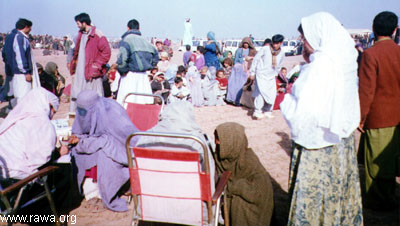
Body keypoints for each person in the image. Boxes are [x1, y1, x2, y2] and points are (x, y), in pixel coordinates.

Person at [280, 12, 363, 225]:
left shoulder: (322, 65)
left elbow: (303, 114)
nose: (302, 43)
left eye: (304, 38)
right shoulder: (344, 58)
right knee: (336, 194)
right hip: (341, 142)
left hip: (317, 147)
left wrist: (286, 102)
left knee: (314, 200)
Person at [69, 90, 139, 212]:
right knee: (76, 152)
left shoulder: (112, 112)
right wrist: (78, 138)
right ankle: (89, 192)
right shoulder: (84, 109)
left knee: (105, 157)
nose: (81, 113)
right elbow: (80, 128)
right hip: (96, 142)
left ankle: (107, 193)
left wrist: (94, 141)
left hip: (119, 146)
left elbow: (126, 136)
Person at [358, 11, 400, 210]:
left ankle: (379, 202)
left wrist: (361, 117)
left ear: (373, 29)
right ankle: (389, 197)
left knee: (375, 163)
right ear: (395, 30)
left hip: (379, 117)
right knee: (391, 161)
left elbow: (366, 91)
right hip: (397, 116)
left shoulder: (370, 54)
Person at [214, 122, 273, 226]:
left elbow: (260, 192)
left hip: (252, 208)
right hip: (230, 201)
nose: (217, 142)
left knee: (239, 205)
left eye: (219, 140)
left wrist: (233, 187)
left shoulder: (250, 162)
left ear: (232, 142)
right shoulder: (220, 157)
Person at [0, 87, 61, 179]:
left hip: (3, 169)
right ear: (48, 105)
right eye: (53, 111)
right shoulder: (42, 122)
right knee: (63, 170)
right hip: (16, 175)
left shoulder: (16, 116)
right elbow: (40, 161)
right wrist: (60, 152)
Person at [69, 13, 111, 112]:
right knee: (78, 94)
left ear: (84, 23)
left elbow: (106, 52)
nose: (77, 25)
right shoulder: (80, 35)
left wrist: (96, 66)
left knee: (95, 97)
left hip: (92, 73)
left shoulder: (97, 34)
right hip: (80, 72)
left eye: (78, 23)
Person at [114, 19, 159, 106]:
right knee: (142, 103)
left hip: (130, 75)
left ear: (127, 28)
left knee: (126, 103)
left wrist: (123, 71)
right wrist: (149, 66)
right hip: (143, 77)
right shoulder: (145, 41)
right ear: (139, 28)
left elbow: (122, 60)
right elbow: (156, 57)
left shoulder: (126, 40)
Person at [1, 18, 40, 109]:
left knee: (14, 94)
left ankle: (12, 111)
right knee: (23, 96)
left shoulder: (10, 36)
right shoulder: (20, 38)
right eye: (30, 28)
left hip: (12, 71)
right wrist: (25, 71)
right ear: (26, 27)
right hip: (21, 73)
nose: (30, 30)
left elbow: (4, 54)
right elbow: (20, 56)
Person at [250, 34, 285, 119]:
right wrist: (252, 72)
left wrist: (276, 74)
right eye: (274, 43)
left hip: (271, 76)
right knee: (261, 93)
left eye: (277, 43)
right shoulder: (265, 49)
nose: (275, 45)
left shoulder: (282, 52)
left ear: (281, 43)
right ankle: (257, 111)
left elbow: (279, 64)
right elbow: (256, 59)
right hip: (261, 74)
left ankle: (267, 111)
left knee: (272, 94)